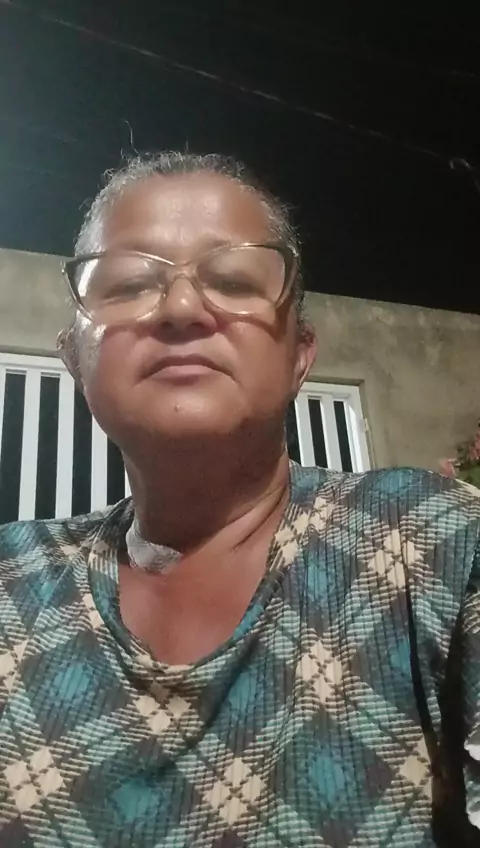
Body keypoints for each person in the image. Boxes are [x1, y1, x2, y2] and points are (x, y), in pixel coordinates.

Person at [0, 152, 479, 848]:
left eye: (233, 280)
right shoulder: (12, 579)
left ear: (300, 356)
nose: (182, 309)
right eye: (130, 283)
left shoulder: (435, 541)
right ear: (74, 357)